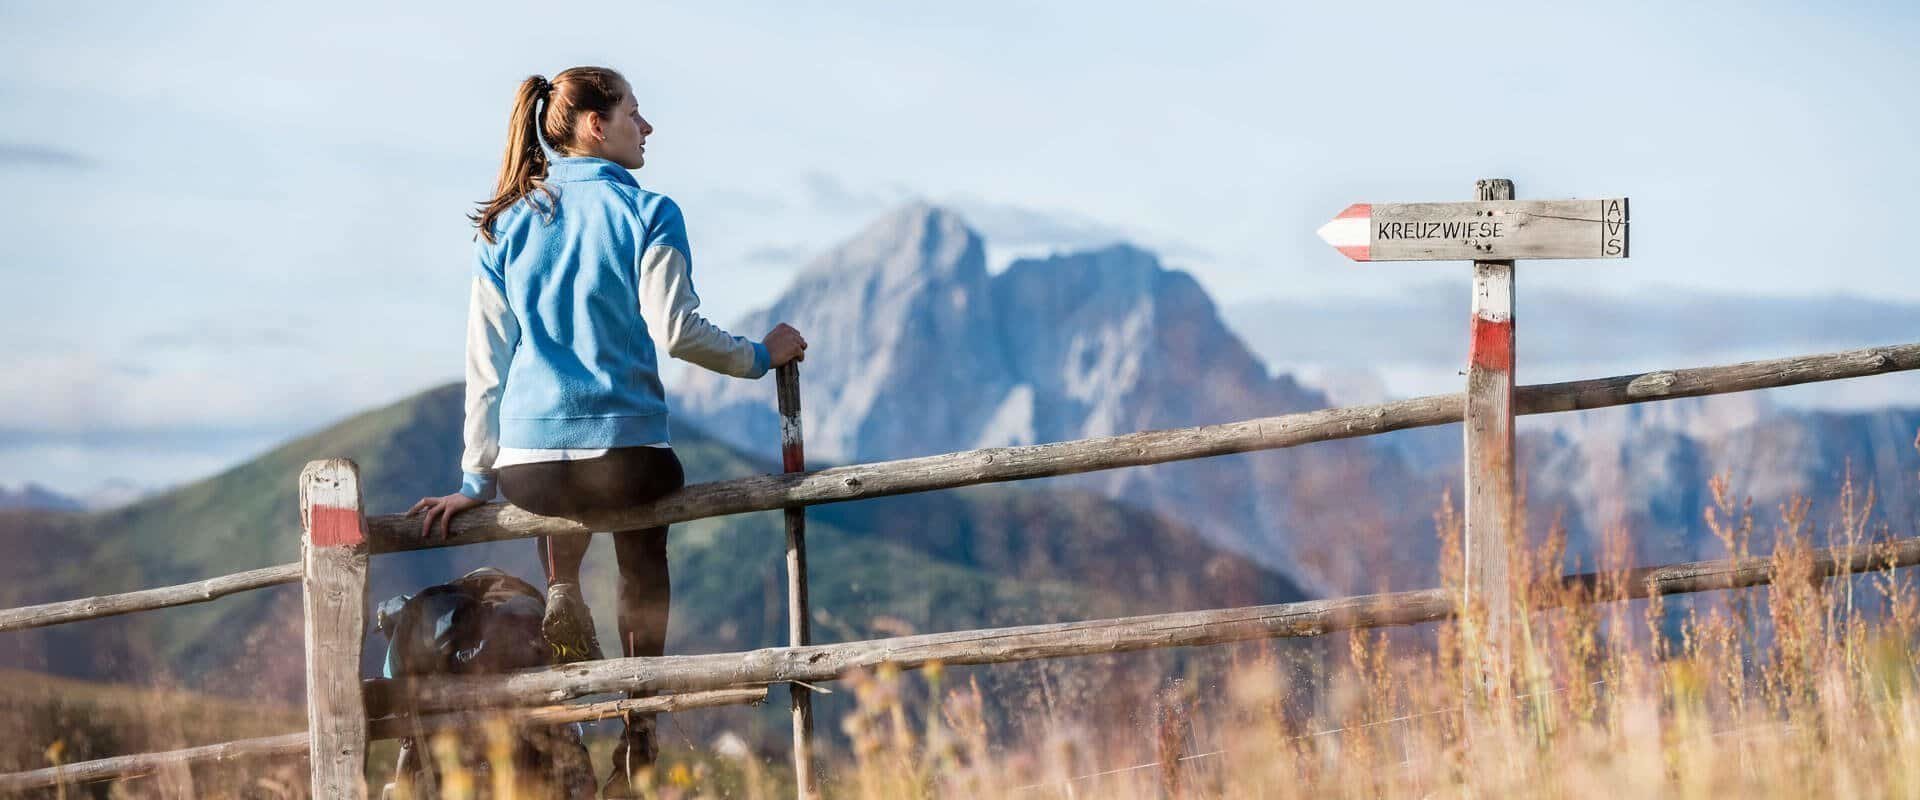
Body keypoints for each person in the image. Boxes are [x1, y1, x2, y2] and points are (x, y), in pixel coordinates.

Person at [406, 66, 806, 792]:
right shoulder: (650, 211)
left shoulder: (505, 222)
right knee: (642, 546)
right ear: (596, 123)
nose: (646, 128)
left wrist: (474, 478)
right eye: (633, 113)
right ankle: (639, 734)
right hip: (625, 455)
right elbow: (678, 333)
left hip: (528, 465)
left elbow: (485, 364)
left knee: (560, 481)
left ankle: (562, 582)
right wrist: (758, 355)